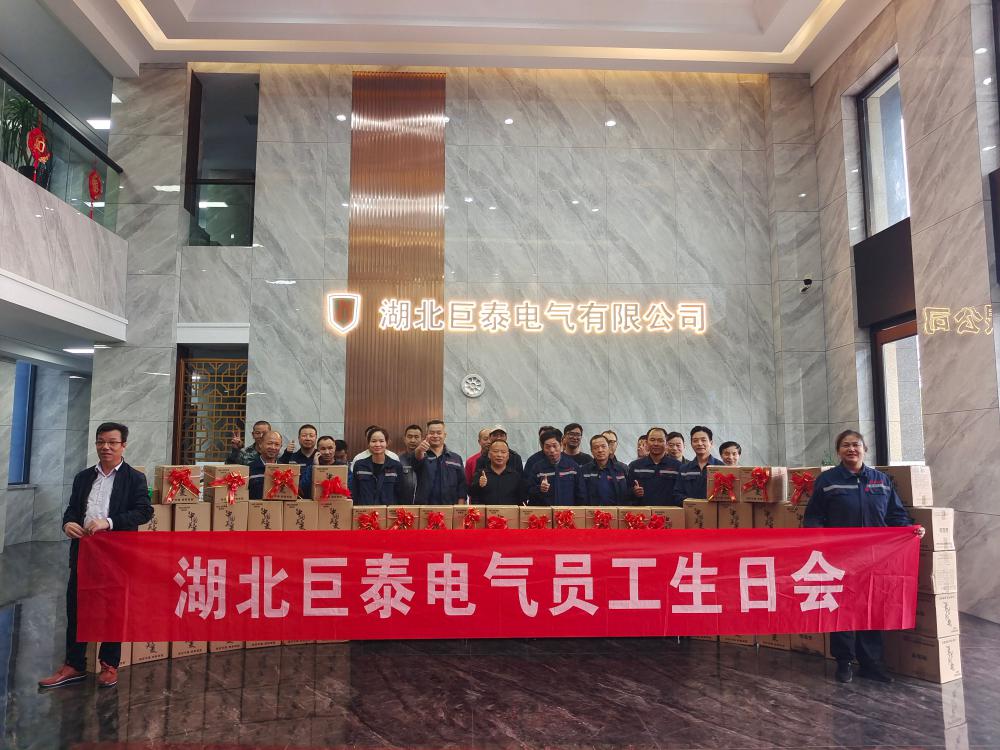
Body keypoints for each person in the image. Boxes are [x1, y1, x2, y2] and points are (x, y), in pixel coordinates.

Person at [804, 429, 924, 684]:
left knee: (872, 607)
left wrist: (910, 531)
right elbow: (813, 517)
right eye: (845, 445)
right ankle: (844, 662)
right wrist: (819, 543)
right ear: (838, 451)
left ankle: (871, 664)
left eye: (856, 445)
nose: (851, 449)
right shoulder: (828, 481)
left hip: (875, 558)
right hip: (840, 558)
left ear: (864, 449)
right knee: (842, 609)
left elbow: (896, 515)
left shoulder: (881, 480)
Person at [39, 422, 153, 690]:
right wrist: (68, 524)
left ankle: (109, 664)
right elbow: (72, 510)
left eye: (112, 442)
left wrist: (109, 522)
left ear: (123, 445)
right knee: (76, 607)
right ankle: (74, 664)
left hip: (117, 554)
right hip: (84, 553)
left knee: (113, 609)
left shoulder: (134, 478)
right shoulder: (83, 477)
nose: (106, 447)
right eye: (101, 442)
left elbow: (144, 512)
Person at [525, 428, 585, 505]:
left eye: (554, 446)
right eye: (547, 447)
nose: (552, 450)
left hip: (567, 511)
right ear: (543, 448)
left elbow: (581, 493)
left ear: (561, 444)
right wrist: (540, 488)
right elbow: (528, 491)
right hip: (545, 511)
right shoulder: (538, 468)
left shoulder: (573, 467)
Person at [413, 419, 467, 504]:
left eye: (439, 433)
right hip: (426, 507)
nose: (435, 436)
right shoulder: (421, 455)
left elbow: (462, 485)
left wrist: (460, 507)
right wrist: (419, 450)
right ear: (426, 435)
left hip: (450, 507)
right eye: (432, 433)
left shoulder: (456, 458)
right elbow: (417, 458)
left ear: (444, 435)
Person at [349, 428, 406, 504]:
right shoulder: (359, 465)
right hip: (365, 510)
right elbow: (354, 492)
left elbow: (401, 494)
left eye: (381, 441)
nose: (377, 444)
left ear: (387, 443)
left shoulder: (396, 466)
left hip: (387, 510)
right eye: (373, 441)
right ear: (368, 443)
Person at [627, 427, 682, 505]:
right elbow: (626, 492)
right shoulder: (635, 466)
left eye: (660, 440)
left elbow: (681, 493)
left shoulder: (677, 467)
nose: (656, 444)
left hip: (669, 511)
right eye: (652, 440)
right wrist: (634, 492)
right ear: (647, 443)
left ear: (666, 443)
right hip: (643, 511)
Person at [673, 426, 724, 502]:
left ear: (711, 443)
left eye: (703, 440)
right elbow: (677, 494)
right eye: (695, 441)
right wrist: (693, 503)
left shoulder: (721, 467)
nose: (699, 444)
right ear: (691, 444)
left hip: (713, 509)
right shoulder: (684, 469)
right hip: (690, 508)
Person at [468, 438, 524, 504]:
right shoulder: (480, 474)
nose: (499, 455)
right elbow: (472, 496)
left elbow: (521, 500)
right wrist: (479, 485)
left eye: (503, 452)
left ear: (508, 456)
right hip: (485, 510)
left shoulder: (515, 476)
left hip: (509, 510)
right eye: (495, 451)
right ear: (489, 455)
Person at [581, 434, 629, 505]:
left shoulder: (622, 469)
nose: (600, 450)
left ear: (609, 449)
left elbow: (629, 493)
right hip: (592, 511)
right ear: (591, 451)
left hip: (617, 511)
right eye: (596, 448)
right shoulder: (584, 470)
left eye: (603, 446)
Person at [298, 435, 338, 500]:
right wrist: (315, 468)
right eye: (323, 449)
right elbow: (302, 490)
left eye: (330, 448)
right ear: (318, 450)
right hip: (315, 503)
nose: (327, 452)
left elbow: (349, 489)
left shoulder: (343, 467)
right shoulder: (311, 468)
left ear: (335, 448)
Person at [248, 430, 283, 499]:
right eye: (269, 443)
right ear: (260, 444)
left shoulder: (285, 470)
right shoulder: (249, 468)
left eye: (277, 444)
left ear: (280, 447)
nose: (273, 447)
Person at [397, 424, 424, 504]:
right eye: (409, 437)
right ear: (404, 439)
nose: (412, 440)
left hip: (424, 506)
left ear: (422, 439)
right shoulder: (397, 459)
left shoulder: (429, 459)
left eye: (416, 437)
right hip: (403, 505)